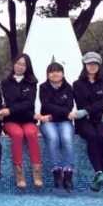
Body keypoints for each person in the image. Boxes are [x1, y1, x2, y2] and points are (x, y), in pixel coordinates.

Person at [73, 52, 103, 192]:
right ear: (85, 65)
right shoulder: (77, 84)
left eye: (95, 64)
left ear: (99, 65)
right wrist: (89, 111)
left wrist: (88, 111)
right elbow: (81, 103)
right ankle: (99, 173)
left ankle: (99, 174)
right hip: (84, 121)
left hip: (100, 118)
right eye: (89, 64)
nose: (92, 66)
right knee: (92, 136)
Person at [0, 53, 42, 189]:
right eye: (18, 63)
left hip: (27, 119)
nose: (20, 67)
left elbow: (29, 103)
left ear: (27, 67)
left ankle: (37, 171)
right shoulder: (5, 83)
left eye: (23, 65)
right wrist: (17, 107)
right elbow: (12, 101)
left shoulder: (32, 82)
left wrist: (11, 109)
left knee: (30, 133)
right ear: (14, 64)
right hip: (11, 121)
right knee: (17, 134)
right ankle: (19, 172)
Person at [38, 62, 78, 192]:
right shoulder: (43, 87)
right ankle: (56, 171)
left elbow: (69, 106)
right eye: (51, 71)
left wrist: (55, 113)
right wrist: (63, 112)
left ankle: (68, 173)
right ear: (47, 74)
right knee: (53, 138)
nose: (55, 74)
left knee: (66, 138)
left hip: (64, 121)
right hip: (48, 122)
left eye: (58, 71)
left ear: (63, 73)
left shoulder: (68, 87)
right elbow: (46, 105)